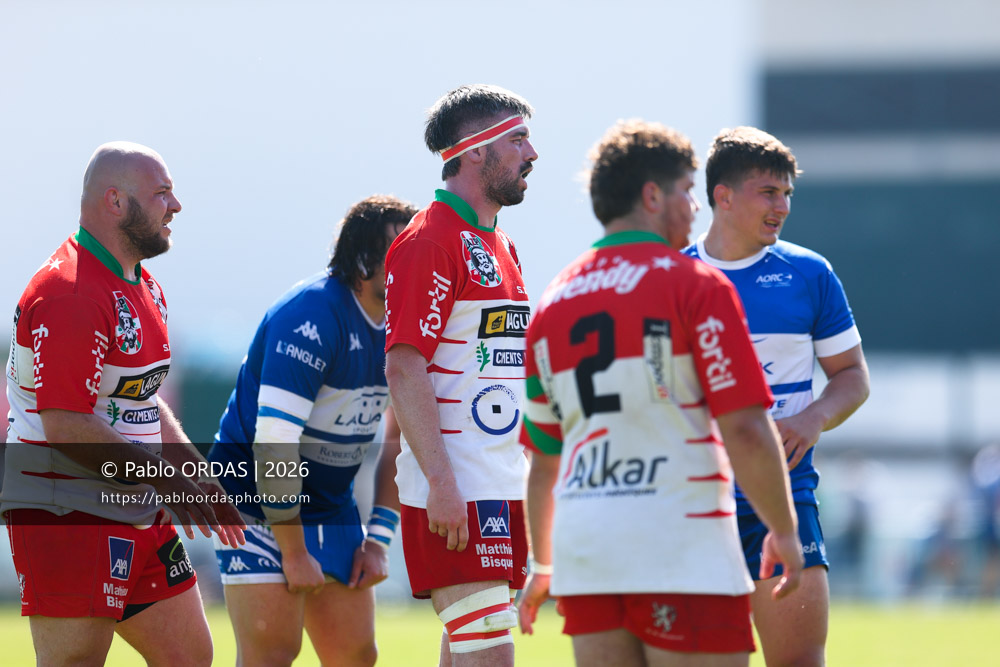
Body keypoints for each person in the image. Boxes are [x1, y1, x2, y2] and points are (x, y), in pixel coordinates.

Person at [516, 120, 804, 667]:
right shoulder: (695, 284)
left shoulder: (554, 301)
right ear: (653, 196)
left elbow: (544, 459)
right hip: (680, 545)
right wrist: (784, 532)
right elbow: (744, 426)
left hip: (587, 555)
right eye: (686, 192)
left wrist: (543, 562)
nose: (694, 208)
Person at [2, 141, 244, 666]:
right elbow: (65, 424)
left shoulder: (142, 284)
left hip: (134, 500)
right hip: (64, 508)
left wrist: (193, 475)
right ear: (115, 202)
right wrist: (164, 479)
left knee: (190, 656)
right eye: (162, 194)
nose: (175, 207)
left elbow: (141, 401)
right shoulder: (69, 294)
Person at [684, 126, 871, 666]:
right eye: (769, 192)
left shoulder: (809, 273)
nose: (783, 206)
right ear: (724, 195)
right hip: (694, 503)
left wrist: (813, 418)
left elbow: (852, 375)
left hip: (787, 499)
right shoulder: (677, 275)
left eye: (788, 193)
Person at [209, 194, 415, 667]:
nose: (416, 261)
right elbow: (274, 443)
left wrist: (379, 539)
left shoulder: (406, 322)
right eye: (401, 250)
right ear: (364, 260)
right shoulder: (311, 315)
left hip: (331, 505)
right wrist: (295, 551)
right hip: (252, 502)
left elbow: (400, 438)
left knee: (357, 655)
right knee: (274, 653)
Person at [383, 84, 538, 666]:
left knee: (466, 654)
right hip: (455, 492)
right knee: (489, 658)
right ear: (474, 151)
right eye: (518, 137)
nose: (533, 153)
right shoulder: (431, 239)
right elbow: (404, 365)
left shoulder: (501, 244)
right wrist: (443, 484)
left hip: (498, 481)